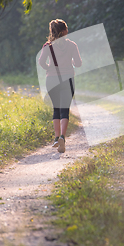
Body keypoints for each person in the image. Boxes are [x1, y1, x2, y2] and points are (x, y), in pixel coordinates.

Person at [38, 19, 82, 153]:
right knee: (65, 109)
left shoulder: (48, 46)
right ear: (64, 31)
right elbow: (79, 63)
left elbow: (41, 62)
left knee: (56, 109)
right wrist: (72, 62)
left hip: (51, 79)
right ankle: (63, 136)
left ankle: (56, 138)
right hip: (67, 79)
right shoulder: (72, 45)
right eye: (67, 29)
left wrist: (49, 68)